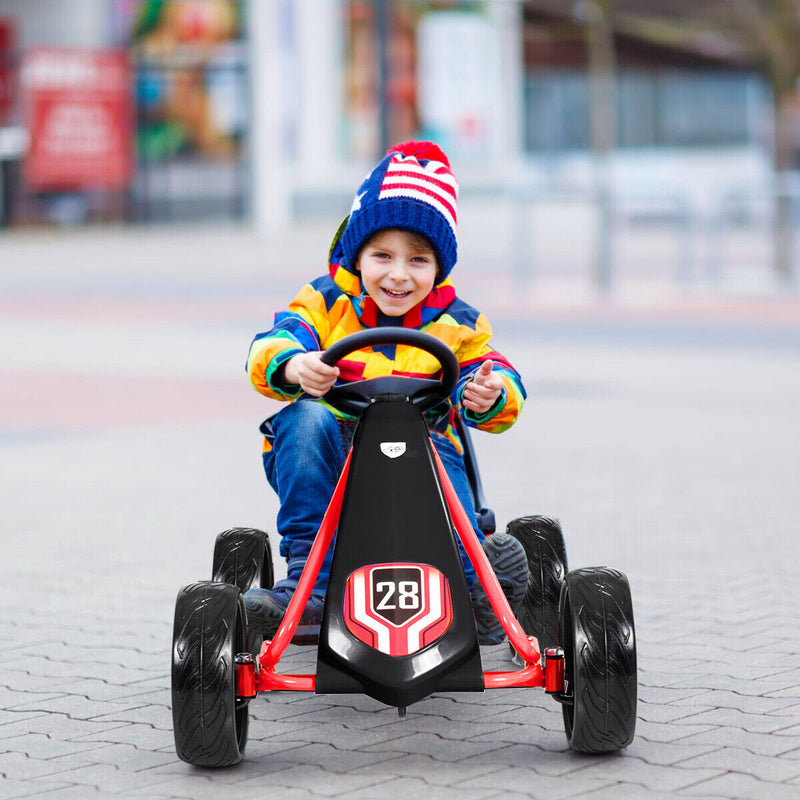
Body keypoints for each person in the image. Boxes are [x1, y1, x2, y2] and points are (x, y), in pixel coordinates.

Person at [244, 140, 528, 644]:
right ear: (358, 253)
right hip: (332, 457)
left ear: (439, 267)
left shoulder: (457, 323)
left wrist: (492, 392)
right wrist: (294, 366)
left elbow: (493, 370)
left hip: (425, 449)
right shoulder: (326, 303)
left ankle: (476, 587)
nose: (399, 274)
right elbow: (276, 342)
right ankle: (310, 585)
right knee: (304, 418)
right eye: (382, 256)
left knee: (442, 450)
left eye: (418, 260)